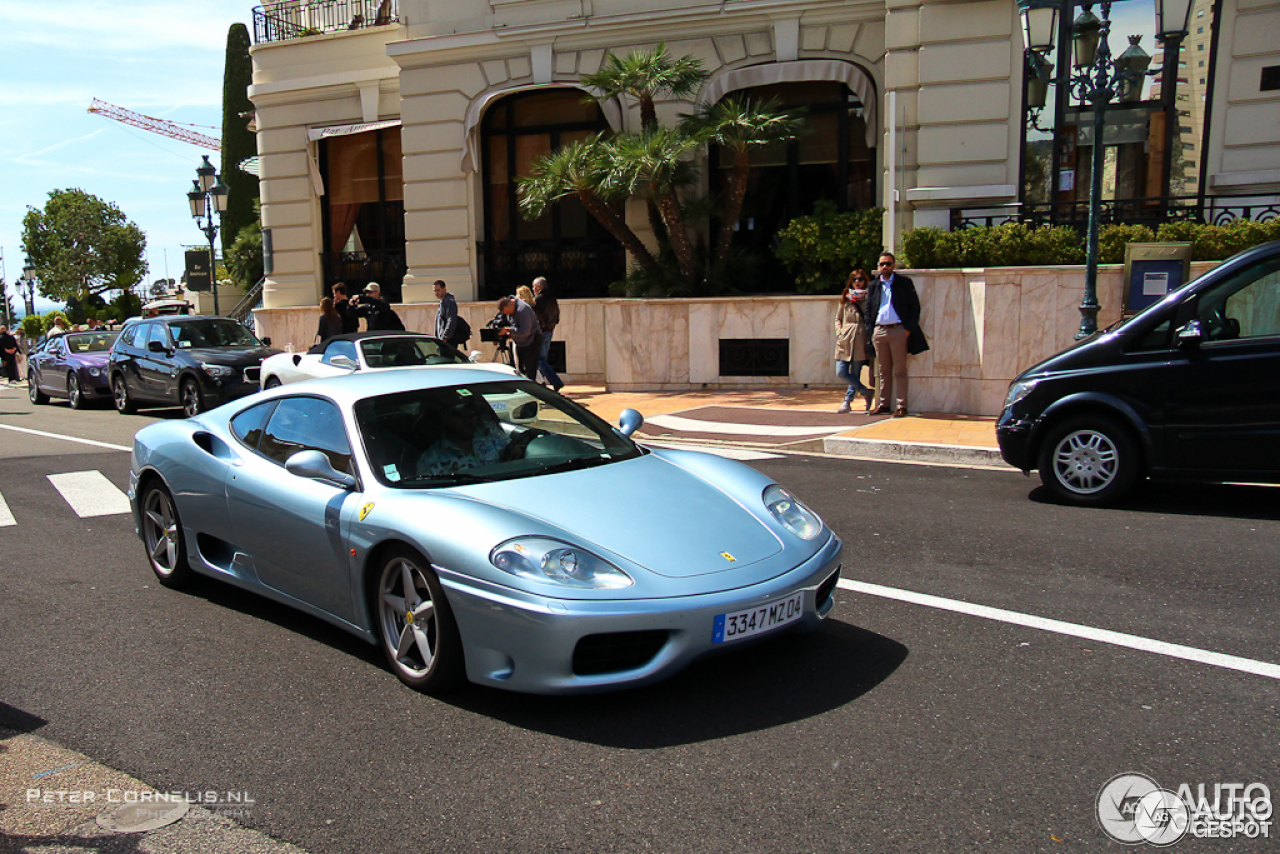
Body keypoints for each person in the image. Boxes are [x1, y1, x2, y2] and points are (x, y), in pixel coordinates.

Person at [863, 252, 928, 417]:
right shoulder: (874, 285)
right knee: (882, 370)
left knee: (899, 370)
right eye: (882, 264)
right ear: (878, 266)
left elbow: (915, 307)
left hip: (898, 330)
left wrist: (907, 330)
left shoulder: (904, 283)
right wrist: (871, 331)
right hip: (879, 331)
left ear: (894, 266)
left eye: (888, 264)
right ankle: (883, 404)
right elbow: (869, 310)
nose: (885, 267)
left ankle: (901, 406)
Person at [416, 398, 507, 477]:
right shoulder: (432, 462)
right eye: (460, 415)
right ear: (445, 417)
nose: (468, 420)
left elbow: (513, 450)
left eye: (472, 413)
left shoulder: (490, 434)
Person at [834, 269, 873, 413]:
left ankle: (847, 402)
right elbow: (838, 318)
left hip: (860, 338)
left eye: (861, 279)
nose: (858, 282)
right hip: (845, 339)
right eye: (855, 279)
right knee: (841, 371)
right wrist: (839, 333)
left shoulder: (869, 297)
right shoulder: (846, 297)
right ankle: (865, 391)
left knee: (855, 372)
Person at [496, 295, 540, 380]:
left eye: (509, 312)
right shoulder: (511, 307)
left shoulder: (523, 310)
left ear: (512, 304)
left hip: (531, 341)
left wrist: (509, 329)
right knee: (520, 369)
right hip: (521, 343)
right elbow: (514, 325)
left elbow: (525, 331)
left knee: (530, 371)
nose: (509, 315)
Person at [531, 276, 564, 393]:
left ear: (539, 287)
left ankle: (555, 381)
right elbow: (557, 315)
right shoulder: (552, 298)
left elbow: (536, 317)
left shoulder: (538, 300)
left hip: (542, 332)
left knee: (539, 360)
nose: (533, 289)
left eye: (534, 287)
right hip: (550, 330)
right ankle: (544, 382)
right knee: (542, 359)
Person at [433, 280, 470, 348]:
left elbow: (451, 320)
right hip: (442, 340)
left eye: (438, 290)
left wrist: (445, 337)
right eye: (435, 291)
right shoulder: (443, 302)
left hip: (448, 341)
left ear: (444, 289)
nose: (436, 293)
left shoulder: (449, 302)